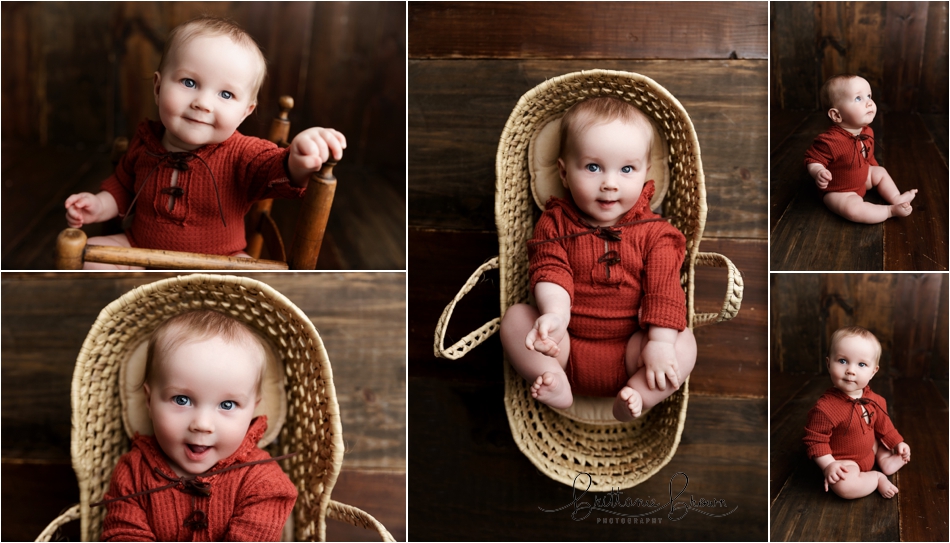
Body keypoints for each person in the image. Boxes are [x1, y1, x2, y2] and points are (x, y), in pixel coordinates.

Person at [64, 16, 346, 269]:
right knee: (93, 257)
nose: (202, 103)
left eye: (225, 95)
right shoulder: (146, 140)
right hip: (139, 250)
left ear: (245, 112)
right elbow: (124, 186)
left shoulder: (243, 154)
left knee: (256, 281)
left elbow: (275, 170)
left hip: (219, 262)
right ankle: (135, 309)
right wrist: (99, 205)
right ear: (158, 87)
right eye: (189, 83)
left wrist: (297, 158)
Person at [499, 96, 697, 423]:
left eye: (627, 169)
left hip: (635, 352)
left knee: (684, 342)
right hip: (564, 347)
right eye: (593, 167)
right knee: (515, 319)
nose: (609, 182)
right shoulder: (555, 222)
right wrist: (555, 317)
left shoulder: (656, 233)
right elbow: (550, 268)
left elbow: (664, 289)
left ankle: (637, 395)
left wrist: (660, 342)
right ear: (563, 173)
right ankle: (552, 379)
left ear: (646, 173)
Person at [100, 310, 297, 540]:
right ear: (149, 401)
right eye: (182, 400)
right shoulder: (133, 473)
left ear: (253, 409)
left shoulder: (264, 481)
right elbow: (123, 534)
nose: (202, 425)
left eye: (227, 404)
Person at [803, 326, 911, 499]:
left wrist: (897, 443)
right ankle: (877, 477)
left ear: (873, 371)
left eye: (861, 364)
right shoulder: (825, 408)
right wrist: (829, 465)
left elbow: (885, 426)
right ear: (828, 363)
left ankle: (885, 461)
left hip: (870, 448)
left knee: (879, 437)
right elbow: (815, 441)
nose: (851, 370)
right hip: (846, 461)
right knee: (844, 487)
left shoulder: (875, 400)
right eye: (843, 361)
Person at [804, 74, 916, 224]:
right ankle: (890, 211)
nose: (869, 103)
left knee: (880, 171)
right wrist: (818, 171)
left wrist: (874, 171)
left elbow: (868, 158)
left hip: (862, 178)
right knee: (852, 209)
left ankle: (896, 198)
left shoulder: (867, 132)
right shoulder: (830, 141)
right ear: (836, 115)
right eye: (858, 98)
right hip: (840, 190)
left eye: (869, 96)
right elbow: (812, 159)